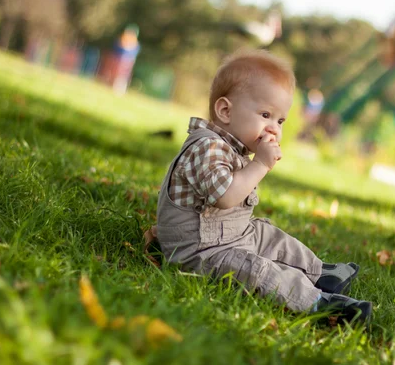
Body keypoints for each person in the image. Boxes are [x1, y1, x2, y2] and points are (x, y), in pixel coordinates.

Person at [146, 49, 372, 324]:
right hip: (198, 253)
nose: (274, 129)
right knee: (256, 270)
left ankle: (320, 273)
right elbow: (226, 197)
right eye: (265, 114)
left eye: (280, 120)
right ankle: (319, 303)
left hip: (230, 238)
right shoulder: (206, 148)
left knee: (268, 235)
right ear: (225, 111)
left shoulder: (232, 150)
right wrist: (260, 165)